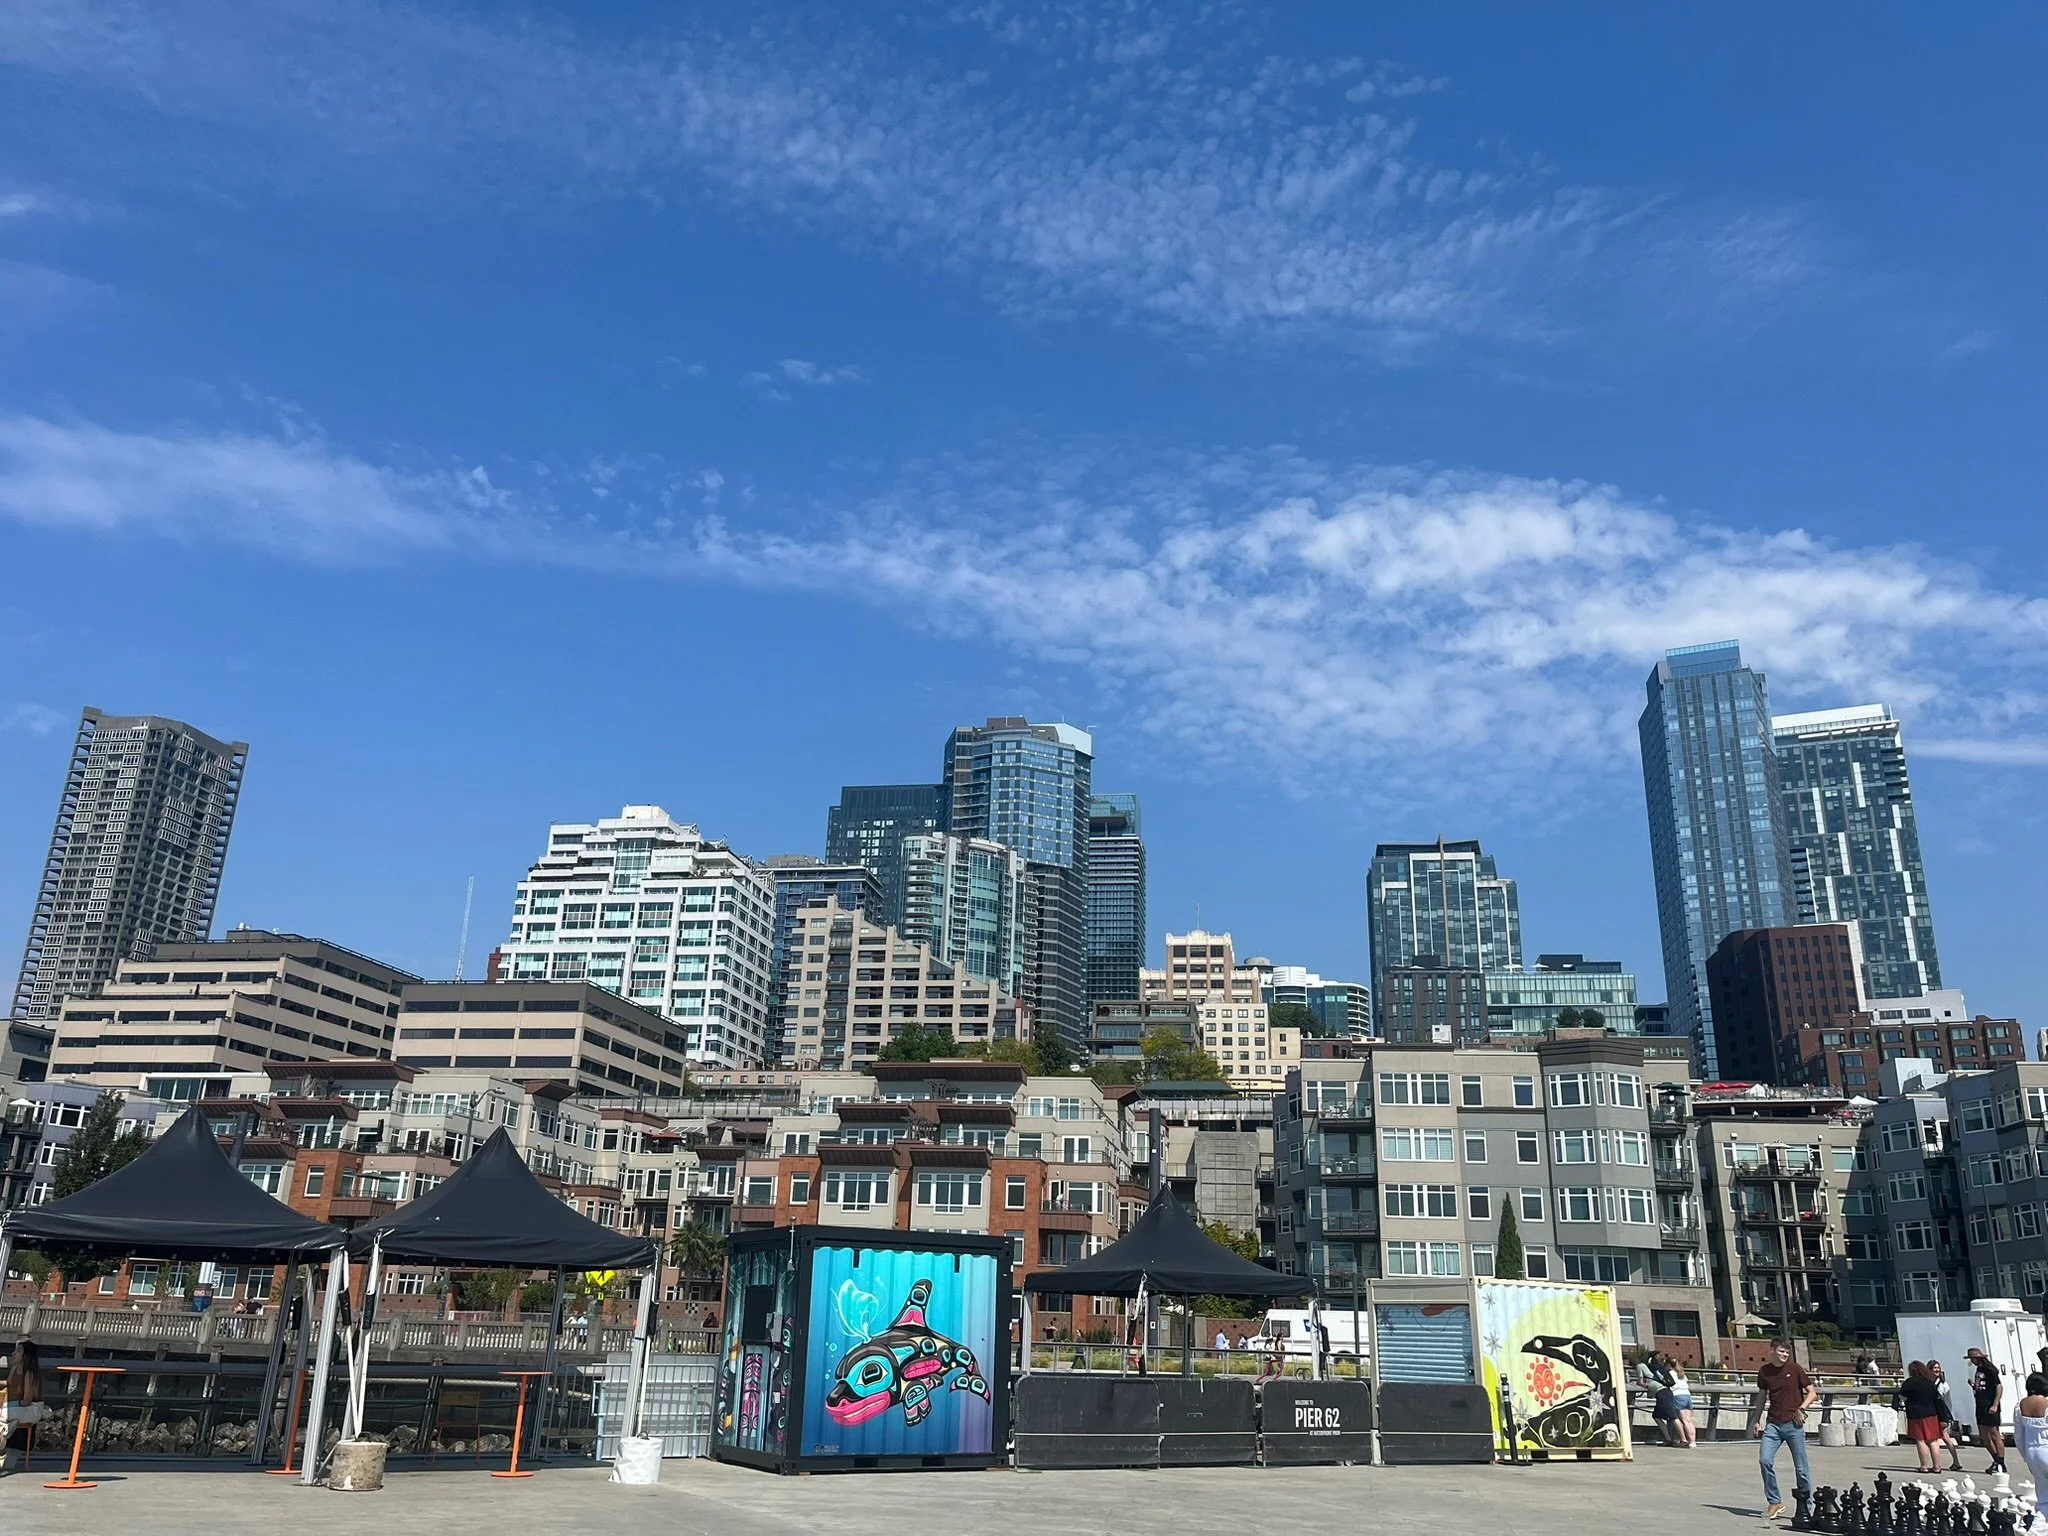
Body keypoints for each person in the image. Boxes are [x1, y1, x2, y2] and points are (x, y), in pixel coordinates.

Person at [1753, 1338, 1818, 1520]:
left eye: (1787, 1353)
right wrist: (1756, 1420)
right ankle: (1775, 1501)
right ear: (1772, 1350)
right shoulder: (1764, 1372)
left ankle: (1807, 1506)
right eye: (1781, 1351)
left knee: (1801, 1468)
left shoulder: (1795, 1369)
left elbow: (1812, 1392)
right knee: (1765, 1460)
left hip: (1793, 1425)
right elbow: (1761, 1397)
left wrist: (1802, 1409)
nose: (1784, 1355)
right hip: (1773, 1424)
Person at [1897, 1361, 1950, 1476]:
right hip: (1932, 1414)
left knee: (1920, 1440)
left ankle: (1924, 1466)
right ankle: (1937, 1467)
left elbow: (1902, 1396)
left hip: (1916, 1414)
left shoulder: (1909, 1382)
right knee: (1934, 1440)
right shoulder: (1929, 1382)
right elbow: (1937, 1399)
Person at [1, 1339, 45, 1478]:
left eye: (19, 1350)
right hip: (18, 1405)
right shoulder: (15, 1369)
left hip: (31, 1408)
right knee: (4, 1419)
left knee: (3, 1415)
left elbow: (27, 1400)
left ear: (26, 1355)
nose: (14, 1353)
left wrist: (9, 1405)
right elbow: (8, 1385)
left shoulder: (29, 1373)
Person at [1969, 1347, 2008, 1475]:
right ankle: (1996, 1459)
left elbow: (1999, 1386)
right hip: (1980, 1404)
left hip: (1990, 1404)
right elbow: (1983, 1385)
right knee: (1983, 1435)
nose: (1971, 1361)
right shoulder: (1979, 1369)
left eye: (1972, 1358)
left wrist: (1995, 1404)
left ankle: (2001, 1462)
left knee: (1994, 1433)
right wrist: (1974, 1385)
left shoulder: (1989, 1369)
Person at [1928, 1360, 1966, 1472]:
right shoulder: (1929, 1383)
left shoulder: (1943, 1384)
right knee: (1937, 1438)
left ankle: (1955, 1461)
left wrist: (1947, 1416)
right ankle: (1946, 1462)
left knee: (1944, 1437)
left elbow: (1947, 1402)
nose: (1937, 1370)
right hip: (1932, 1413)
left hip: (1941, 1414)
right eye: (1934, 1368)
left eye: (1938, 1368)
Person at [2017, 1372, 2048, 1498]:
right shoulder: (2046, 1402)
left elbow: (2018, 1436)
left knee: (2043, 1497)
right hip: (2046, 1447)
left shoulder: (2020, 1405)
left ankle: (2040, 1517)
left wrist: (2026, 1457)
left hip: (2031, 1452)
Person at [1668, 1358, 1698, 1449]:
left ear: (1669, 1365)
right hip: (1687, 1396)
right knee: (1689, 1420)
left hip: (1677, 1396)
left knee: (1683, 1420)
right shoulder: (1681, 1373)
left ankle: (1686, 1440)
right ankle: (1693, 1441)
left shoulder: (1670, 1373)